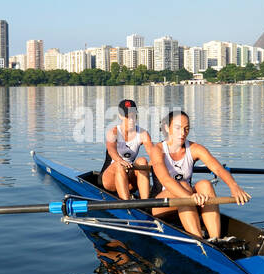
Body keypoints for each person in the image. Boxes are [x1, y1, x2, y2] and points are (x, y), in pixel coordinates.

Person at [148, 110, 251, 240]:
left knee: (205, 184)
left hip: (188, 201)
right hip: (160, 206)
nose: (183, 133)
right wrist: (190, 197)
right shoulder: (157, 150)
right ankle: (200, 242)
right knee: (184, 185)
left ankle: (215, 239)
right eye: (178, 128)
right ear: (167, 128)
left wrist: (234, 186)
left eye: (186, 129)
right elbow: (166, 180)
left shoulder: (195, 149)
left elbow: (218, 169)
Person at [100, 99, 153, 199]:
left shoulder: (143, 134)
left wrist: (156, 162)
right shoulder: (113, 132)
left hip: (129, 177)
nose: (131, 119)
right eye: (127, 116)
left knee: (142, 161)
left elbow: (152, 152)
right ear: (120, 116)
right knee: (119, 165)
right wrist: (120, 160)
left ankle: (145, 203)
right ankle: (126, 204)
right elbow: (111, 150)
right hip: (110, 179)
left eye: (133, 115)